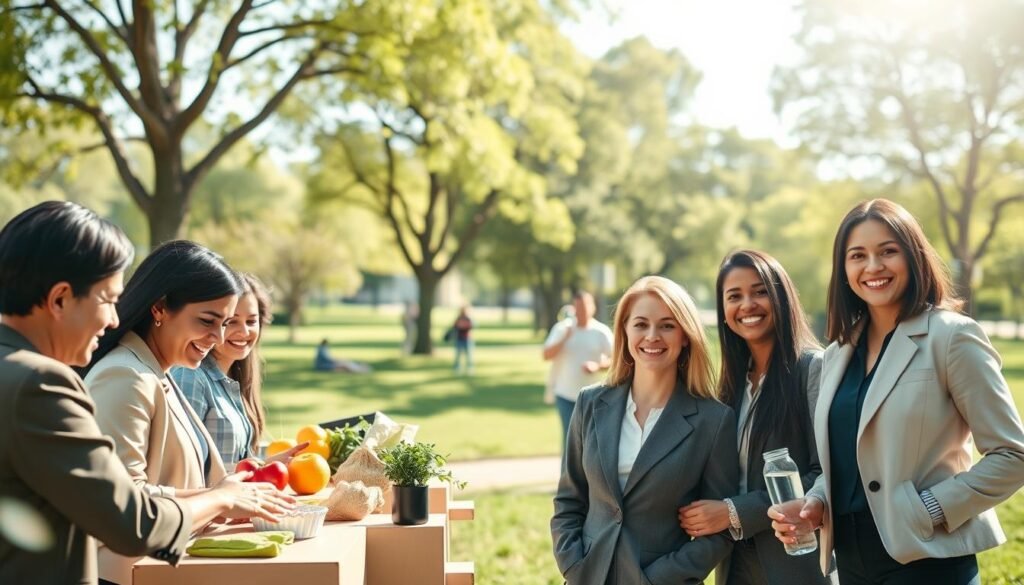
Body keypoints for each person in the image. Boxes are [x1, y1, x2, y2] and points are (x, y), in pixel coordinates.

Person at [0, 202, 291, 585]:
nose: (114, 318)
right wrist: (219, 500)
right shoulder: (40, 383)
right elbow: (131, 519)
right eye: (106, 299)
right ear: (59, 300)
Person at [770, 199, 1024, 585]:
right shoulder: (836, 354)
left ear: (913, 256)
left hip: (929, 561)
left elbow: (1012, 455)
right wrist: (817, 502)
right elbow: (848, 459)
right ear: (843, 269)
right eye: (858, 255)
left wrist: (929, 509)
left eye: (888, 251)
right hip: (851, 562)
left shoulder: (952, 337)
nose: (873, 267)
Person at [82, 240, 250, 584]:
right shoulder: (125, 377)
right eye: (208, 320)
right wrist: (219, 499)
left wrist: (232, 494)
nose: (218, 337)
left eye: (225, 323)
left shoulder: (159, 372)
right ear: (159, 308)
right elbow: (123, 502)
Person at [551, 276, 738, 584]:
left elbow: (719, 532)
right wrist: (574, 565)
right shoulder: (590, 403)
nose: (652, 336)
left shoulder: (713, 421)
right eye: (640, 324)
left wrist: (657, 578)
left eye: (667, 325)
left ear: (685, 336)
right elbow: (569, 500)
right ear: (624, 331)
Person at [678, 250, 835, 585]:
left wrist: (735, 511)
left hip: (797, 565)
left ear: (781, 298)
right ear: (723, 312)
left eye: (760, 291)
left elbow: (827, 473)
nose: (747, 304)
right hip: (735, 565)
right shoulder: (730, 386)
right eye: (734, 296)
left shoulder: (813, 369)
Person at [172, 274, 283, 467]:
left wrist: (267, 465)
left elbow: (233, 465)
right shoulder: (190, 377)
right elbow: (184, 467)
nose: (244, 332)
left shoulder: (234, 380)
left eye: (251, 321)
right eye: (232, 321)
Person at [543, 291, 613, 447]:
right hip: (565, 395)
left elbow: (616, 359)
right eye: (579, 307)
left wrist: (598, 366)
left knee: (591, 441)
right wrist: (565, 338)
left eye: (586, 306)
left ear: (593, 307)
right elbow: (546, 355)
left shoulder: (601, 332)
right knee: (570, 442)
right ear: (573, 308)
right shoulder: (562, 329)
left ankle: (588, 472)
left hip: (593, 397)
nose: (582, 310)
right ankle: (567, 472)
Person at [450, 305, 473, 375]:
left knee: (468, 355)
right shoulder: (458, 318)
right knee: (458, 354)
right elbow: (455, 326)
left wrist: (462, 326)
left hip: (467, 339)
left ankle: (470, 368)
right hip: (459, 338)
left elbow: (470, 326)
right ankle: (457, 367)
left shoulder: (468, 319)